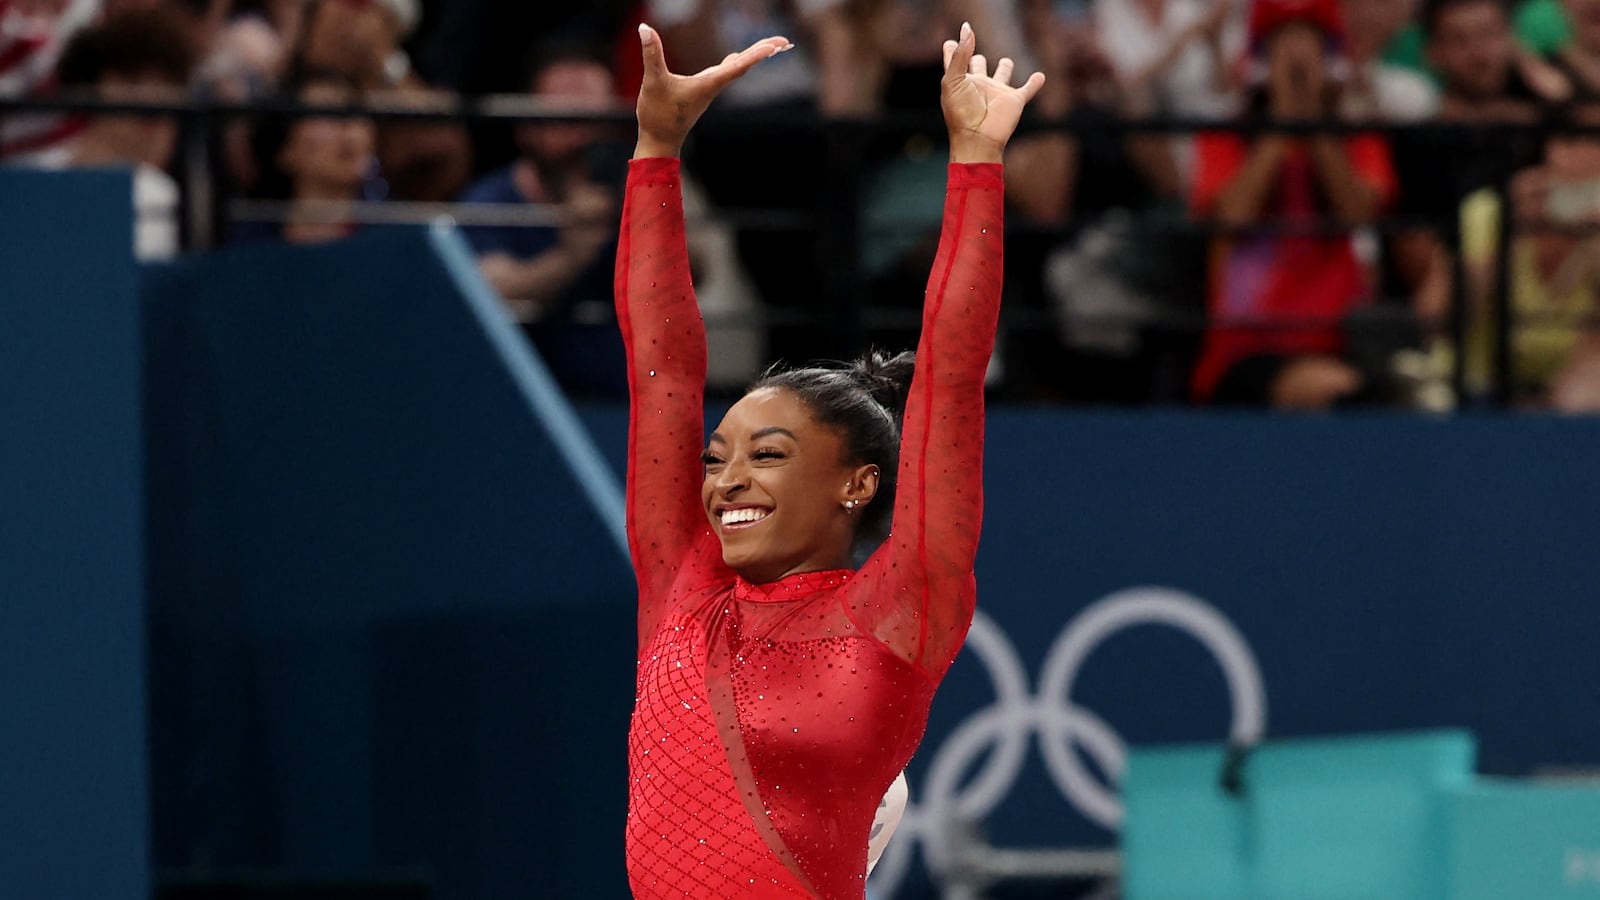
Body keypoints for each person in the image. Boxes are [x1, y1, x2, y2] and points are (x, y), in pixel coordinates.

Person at [616, 19, 1041, 899]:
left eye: (767, 454)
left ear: (857, 484)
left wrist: (976, 163)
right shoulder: (682, 591)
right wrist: (656, 152)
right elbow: (660, 367)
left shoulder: (898, 611)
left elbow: (951, 371)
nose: (725, 478)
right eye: (717, 455)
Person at [1190, 0, 1399, 408]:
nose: (1299, 59)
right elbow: (1233, 216)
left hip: (1340, 338)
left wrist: (1313, 122)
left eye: (1312, 44)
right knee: (1338, 395)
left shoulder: (1355, 138)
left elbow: (1358, 214)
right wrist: (1283, 121)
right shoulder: (1225, 136)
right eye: (1284, 45)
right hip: (1245, 348)